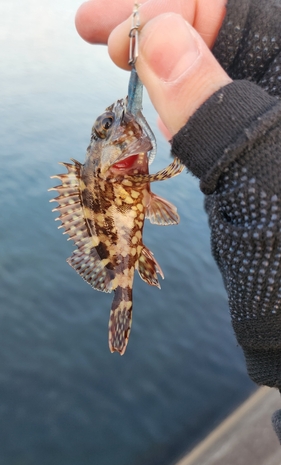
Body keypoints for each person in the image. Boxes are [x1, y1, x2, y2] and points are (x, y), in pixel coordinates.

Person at [75, 0, 281, 441]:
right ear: (105, 156)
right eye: (104, 130)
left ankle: (124, 297)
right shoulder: (114, 170)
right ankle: (123, 297)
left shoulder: (118, 167)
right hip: (123, 233)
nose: (114, 123)